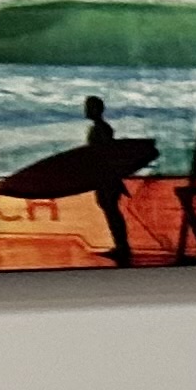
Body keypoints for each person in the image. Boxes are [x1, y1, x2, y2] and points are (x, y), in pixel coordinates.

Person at [74, 96, 145, 265]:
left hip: (107, 176)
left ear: (96, 109)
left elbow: (105, 153)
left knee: (112, 211)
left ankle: (122, 247)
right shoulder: (100, 127)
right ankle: (120, 246)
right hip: (104, 176)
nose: (86, 110)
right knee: (110, 209)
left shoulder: (101, 128)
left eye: (89, 107)